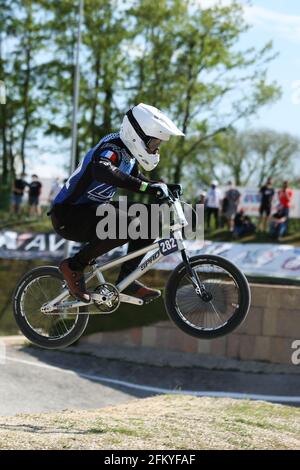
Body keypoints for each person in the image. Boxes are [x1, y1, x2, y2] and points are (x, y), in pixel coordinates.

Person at [50, 103, 184, 303]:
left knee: (152, 217)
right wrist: (147, 187)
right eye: (154, 143)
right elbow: (102, 169)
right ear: (138, 135)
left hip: (91, 210)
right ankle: (74, 266)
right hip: (69, 215)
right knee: (126, 225)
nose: (156, 149)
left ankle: (127, 280)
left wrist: (162, 186)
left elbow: (137, 180)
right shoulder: (112, 147)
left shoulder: (128, 155)